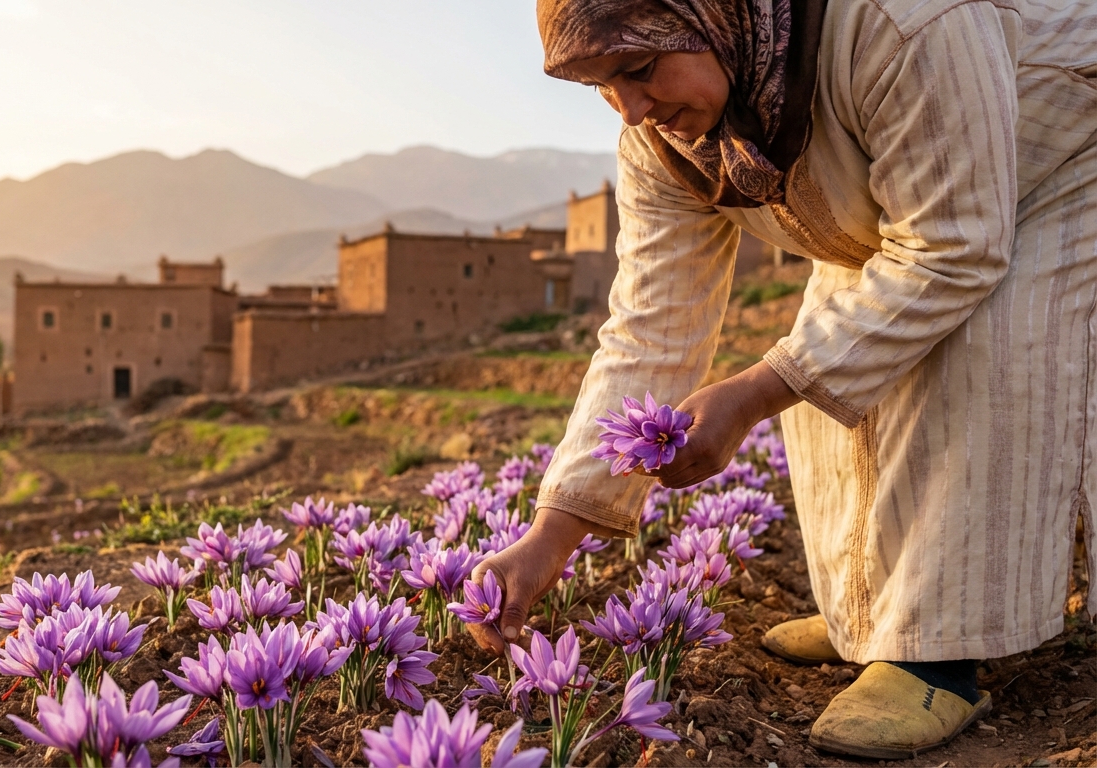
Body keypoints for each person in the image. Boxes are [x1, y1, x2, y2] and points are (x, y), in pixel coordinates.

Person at [469, 0, 1097, 759]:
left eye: (638, 69)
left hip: (1059, 156)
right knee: (826, 356)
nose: (632, 110)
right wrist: (549, 535)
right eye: (601, 85)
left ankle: (935, 659)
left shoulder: (901, 24)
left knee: (972, 347)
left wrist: (755, 392)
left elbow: (952, 248)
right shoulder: (663, 140)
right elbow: (649, 327)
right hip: (908, 212)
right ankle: (869, 619)